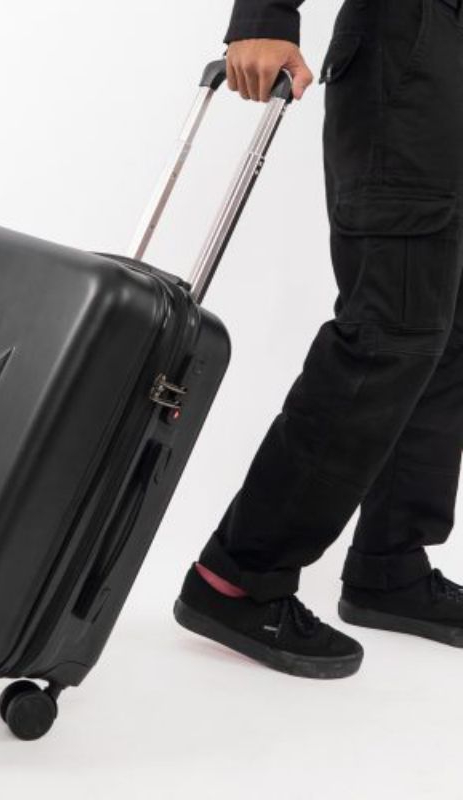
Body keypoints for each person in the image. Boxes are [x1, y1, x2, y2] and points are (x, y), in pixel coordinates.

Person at [174, 0, 463, 679]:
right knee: (387, 332)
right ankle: (237, 578)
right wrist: (265, 14)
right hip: (408, 44)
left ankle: (389, 565)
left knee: (447, 333)